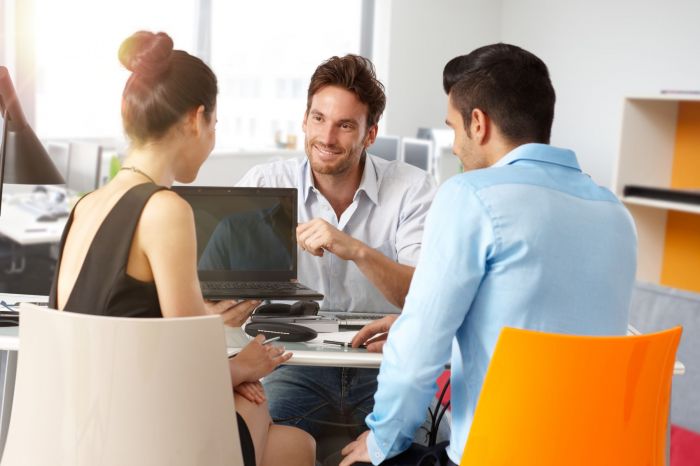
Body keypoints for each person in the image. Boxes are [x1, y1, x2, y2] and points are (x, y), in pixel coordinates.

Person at [340, 43, 638, 466]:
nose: (456, 146)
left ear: (478, 123)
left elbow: (415, 361)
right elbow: (545, 336)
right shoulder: (616, 214)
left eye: (453, 129)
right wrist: (423, 323)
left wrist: (379, 442)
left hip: (498, 454)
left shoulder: (469, 196)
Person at [48, 31, 315, 466]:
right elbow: (192, 364)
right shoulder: (165, 208)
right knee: (262, 409)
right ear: (196, 120)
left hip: (86, 432)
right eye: (215, 124)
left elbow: (126, 328)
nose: (212, 137)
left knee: (294, 446)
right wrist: (244, 366)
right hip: (144, 437)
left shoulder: (87, 205)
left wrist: (208, 327)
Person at [236, 54, 437, 437]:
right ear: (305, 119)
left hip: (385, 364)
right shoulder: (264, 183)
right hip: (293, 363)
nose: (327, 138)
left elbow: (423, 296)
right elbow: (220, 292)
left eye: (345, 126)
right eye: (318, 119)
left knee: (418, 447)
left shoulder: (413, 190)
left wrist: (356, 250)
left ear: (370, 134)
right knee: (254, 441)